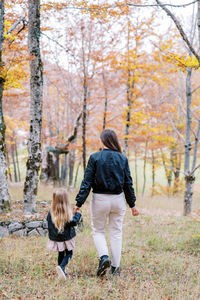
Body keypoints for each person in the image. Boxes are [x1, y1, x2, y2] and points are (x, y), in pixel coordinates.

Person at [74, 129, 139, 277]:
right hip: (118, 200)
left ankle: (104, 257)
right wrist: (133, 205)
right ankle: (115, 268)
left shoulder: (95, 157)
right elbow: (128, 184)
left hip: (100, 200)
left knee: (98, 231)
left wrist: (79, 203)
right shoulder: (122, 159)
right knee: (116, 232)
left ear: (103, 141)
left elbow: (87, 182)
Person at [47, 188, 81, 280]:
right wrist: (77, 214)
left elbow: (49, 225)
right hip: (66, 238)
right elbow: (73, 222)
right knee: (69, 253)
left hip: (57, 238)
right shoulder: (67, 213)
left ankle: (61, 272)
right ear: (66, 200)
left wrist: (52, 236)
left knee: (61, 253)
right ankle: (62, 267)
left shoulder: (51, 212)